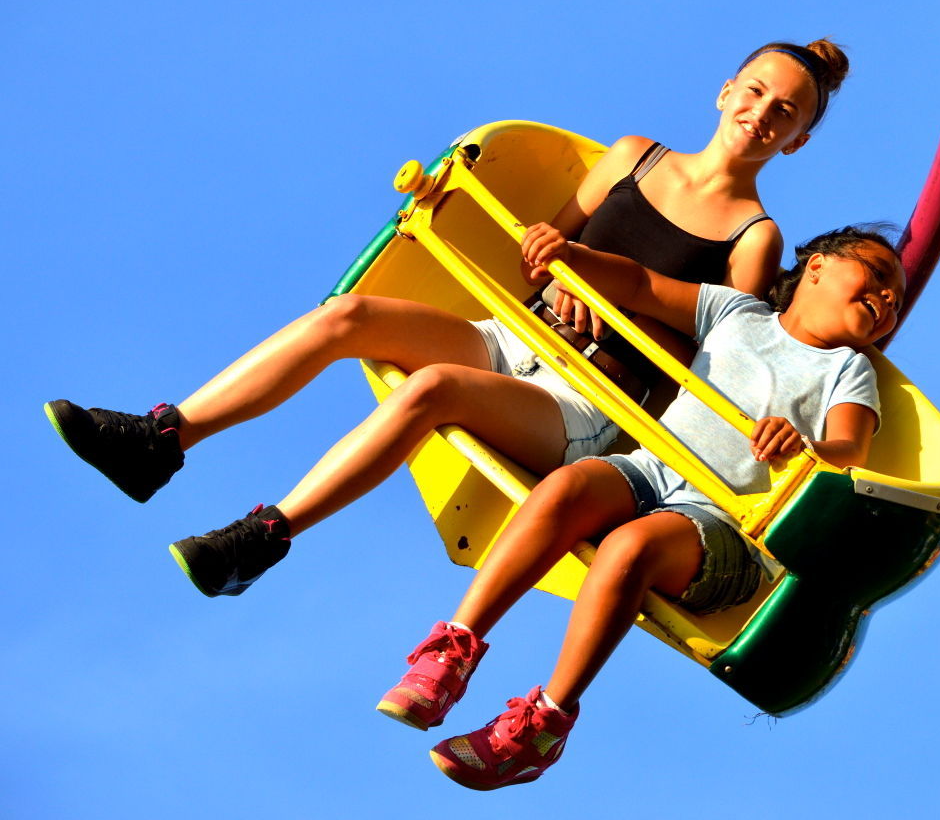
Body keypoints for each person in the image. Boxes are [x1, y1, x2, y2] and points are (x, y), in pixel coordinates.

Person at [43, 40, 849, 599]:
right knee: (346, 315)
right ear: (724, 89)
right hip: (514, 337)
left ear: (797, 141)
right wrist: (552, 263)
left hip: (587, 401)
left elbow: (710, 353)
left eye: (784, 111)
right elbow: (542, 250)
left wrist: (608, 306)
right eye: (755, 91)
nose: (761, 112)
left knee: (431, 389)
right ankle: (161, 440)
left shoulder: (754, 237)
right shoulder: (632, 155)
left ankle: (261, 538)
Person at [377, 222, 905, 791]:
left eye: (895, 301)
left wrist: (804, 447)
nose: (885, 299)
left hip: (723, 520)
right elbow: (638, 284)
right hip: (652, 471)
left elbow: (850, 449)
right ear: (817, 266)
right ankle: (453, 648)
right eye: (877, 275)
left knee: (630, 547)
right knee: (567, 487)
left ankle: (544, 723)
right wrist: (571, 254)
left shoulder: (848, 370)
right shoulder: (736, 313)